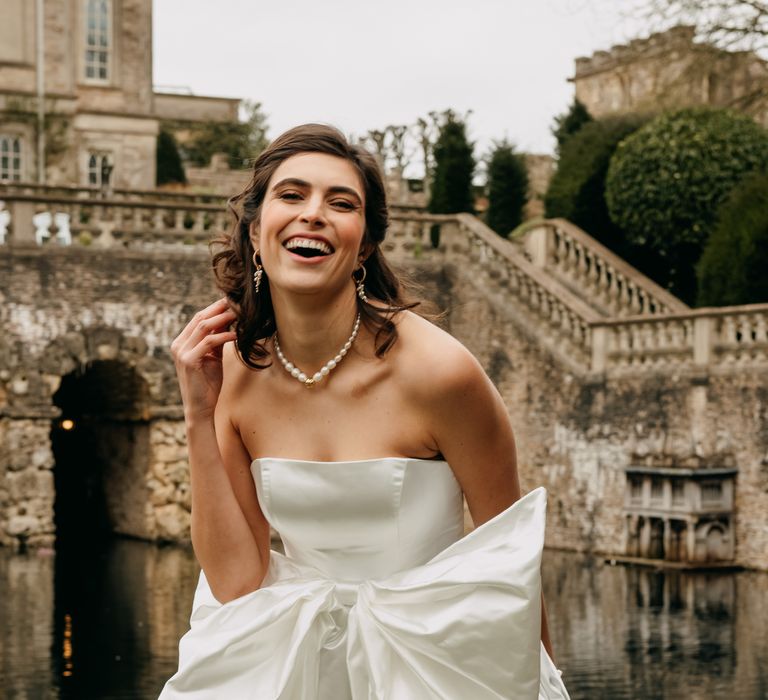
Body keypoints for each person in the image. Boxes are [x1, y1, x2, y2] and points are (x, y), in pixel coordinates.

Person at [160, 124, 570, 699]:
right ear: (256, 232)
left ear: (366, 244)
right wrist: (198, 416)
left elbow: (510, 563)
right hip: (297, 660)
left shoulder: (441, 373)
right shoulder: (232, 371)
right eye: (292, 195)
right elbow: (236, 582)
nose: (313, 214)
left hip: (431, 667)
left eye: (341, 202)